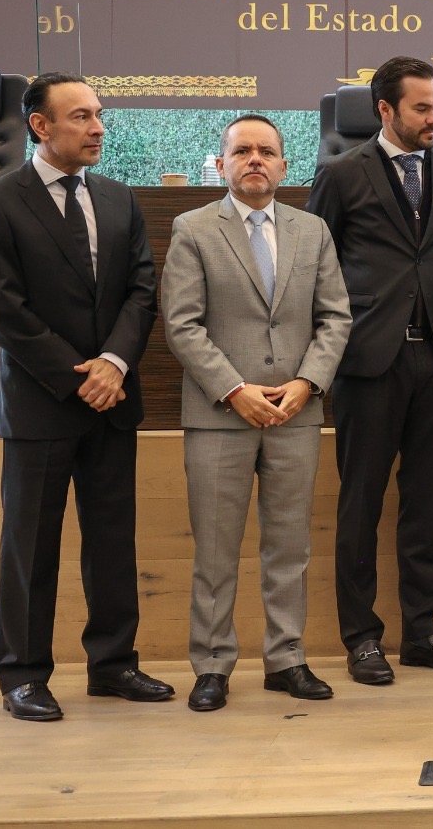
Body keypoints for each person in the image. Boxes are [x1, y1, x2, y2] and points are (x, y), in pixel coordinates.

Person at [0, 72, 171, 721]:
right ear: (40, 125)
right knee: (30, 547)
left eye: (99, 114)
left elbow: (142, 289)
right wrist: (79, 375)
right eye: (81, 116)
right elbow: (3, 309)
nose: (98, 127)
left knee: (112, 541)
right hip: (40, 403)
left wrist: (114, 363)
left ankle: (114, 665)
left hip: (114, 400)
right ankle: (23, 676)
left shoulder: (117, 197)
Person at [162, 115, 352, 710]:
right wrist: (233, 389)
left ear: (284, 166)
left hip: (296, 413)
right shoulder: (194, 228)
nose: (255, 160)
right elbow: (182, 324)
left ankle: (286, 658)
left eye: (266, 152)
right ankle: (212, 664)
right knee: (216, 549)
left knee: (289, 546)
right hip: (220, 414)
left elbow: (335, 317)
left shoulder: (312, 230)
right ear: (221, 164)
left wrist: (308, 382)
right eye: (242, 151)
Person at [305, 56, 433, 685]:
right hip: (368, 361)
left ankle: (422, 632)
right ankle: (361, 638)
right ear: (385, 110)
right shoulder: (340, 174)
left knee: (425, 503)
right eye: (422, 108)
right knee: (361, 502)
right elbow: (317, 266)